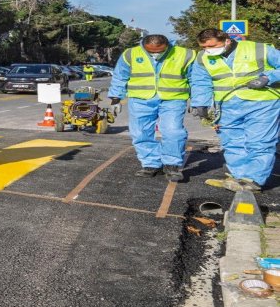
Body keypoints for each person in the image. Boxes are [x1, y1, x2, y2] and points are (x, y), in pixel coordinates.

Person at [191, 28, 280, 193]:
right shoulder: (203, 58)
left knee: (260, 142)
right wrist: (200, 104)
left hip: (262, 103)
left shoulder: (258, 49)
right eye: (204, 47)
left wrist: (268, 78)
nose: (208, 50)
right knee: (232, 142)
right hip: (227, 105)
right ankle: (240, 177)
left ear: (227, 40)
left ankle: (254, 179)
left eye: (212, 46)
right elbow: (200, 81)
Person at [107, 34, 195, 182]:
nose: (155, 55)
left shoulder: (185, 54)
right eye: (151, 52)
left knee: (173, 131)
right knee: (141, 132)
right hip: (140, 99)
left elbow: (195, 78)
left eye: (160, 51)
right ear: (143, 46)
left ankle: (172, 165)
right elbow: (120, 76)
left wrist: (197, 100)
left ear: (168, 46)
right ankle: (151, 164)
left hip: (173, 99)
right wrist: (116, 98)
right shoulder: (130, 54)